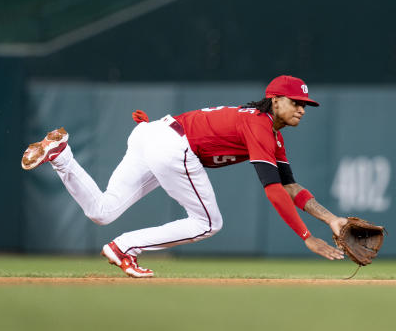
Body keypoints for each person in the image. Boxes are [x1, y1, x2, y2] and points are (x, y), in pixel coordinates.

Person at [21, 75, 346, 277]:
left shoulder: (271, 134)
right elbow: (273, 189)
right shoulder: (259, 124)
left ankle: (62, 157)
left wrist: (330, 220)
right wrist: (307, 237)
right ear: (275, 100)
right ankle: (124, 247)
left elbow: (290, 186)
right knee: (208, 222)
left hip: (152, 134)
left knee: (101, 212)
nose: (302, 108)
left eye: (305, 104)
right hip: (172, 145)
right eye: (295, 102)